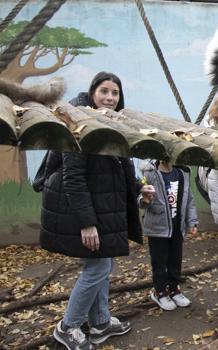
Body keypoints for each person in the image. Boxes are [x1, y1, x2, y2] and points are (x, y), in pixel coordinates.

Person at [40, 72, 155, 349]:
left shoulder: (112, 124)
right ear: (93, 92)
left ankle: (101, 322)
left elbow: (121, 168)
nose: (110, 98)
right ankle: (68, 327)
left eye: (115, 93)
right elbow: (74, 179)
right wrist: (87, 223)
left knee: (104, 264)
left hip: (102, 207)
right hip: (80, 210)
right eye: (104, 91)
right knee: (97, 267)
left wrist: (139, 189)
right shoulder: (77, 122)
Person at [139, 159, 198, 310]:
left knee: (175, 260)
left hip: (177, 227)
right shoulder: (150, 174)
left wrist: (192, 221)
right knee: (159, 263)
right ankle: (160, 292)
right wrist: (145, 200)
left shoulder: (182, 173)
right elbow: (140, 199)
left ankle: (174, 289)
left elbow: (189, 199)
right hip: (158, 228)